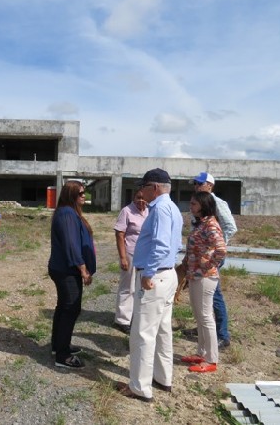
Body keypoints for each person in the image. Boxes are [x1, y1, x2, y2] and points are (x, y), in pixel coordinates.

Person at [116, 168, 183, 403]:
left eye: (143, 187)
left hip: (155, 276)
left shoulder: (160, 209)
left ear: (154, 187)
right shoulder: (173, 208)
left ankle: (140, 387)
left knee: (143, 333)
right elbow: (174, 245)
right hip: (168, 274)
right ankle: (163, 378)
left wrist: (149, 272)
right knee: (163, 330)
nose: (141, 192)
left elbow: (161, 245)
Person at [48, 180, 95, 369]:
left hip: (64, 268)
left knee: (63, 308)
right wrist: (83, 269)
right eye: (80, 193)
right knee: (71, 309)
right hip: (66, 270)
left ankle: (59, 345)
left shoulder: (68, 212)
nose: (84, 196)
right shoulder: (67, 213)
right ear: (71, 195)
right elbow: (71, 245)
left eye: (84, 192)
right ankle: (63, 356)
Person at [181, 191, 227, 373]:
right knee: (199, 315)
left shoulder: (211, 225)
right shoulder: (201, 223)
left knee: (206, 317)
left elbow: (221, 250)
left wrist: (207, 264)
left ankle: (211, 359)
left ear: (203, 205)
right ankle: (201, 352)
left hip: (205, 277)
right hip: (195, 275)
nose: (190, 207)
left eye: (194, 204)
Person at [193, 172, 237, 349]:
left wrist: (216, 245)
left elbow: (231, 227)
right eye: (195, 183)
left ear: (210, 185)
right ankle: (207, 327)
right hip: (202, 256)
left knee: (214, 294)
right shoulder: (201, 202)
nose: (196, 186)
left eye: (199, 183)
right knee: (205, 295)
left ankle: (222, 335)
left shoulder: (217, 203)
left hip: (211, 257)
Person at [113, 188, 148, 334]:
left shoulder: (149, 211)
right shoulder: (126, 211)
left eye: (144, 198)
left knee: (140, 287)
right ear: (133, 198)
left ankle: (135, 315)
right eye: (138, 198)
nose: (141, 201)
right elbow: (119, 234)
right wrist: (123, 257)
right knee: (127, 286)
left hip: (145, 255)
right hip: (130, 253)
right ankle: (122, 320)